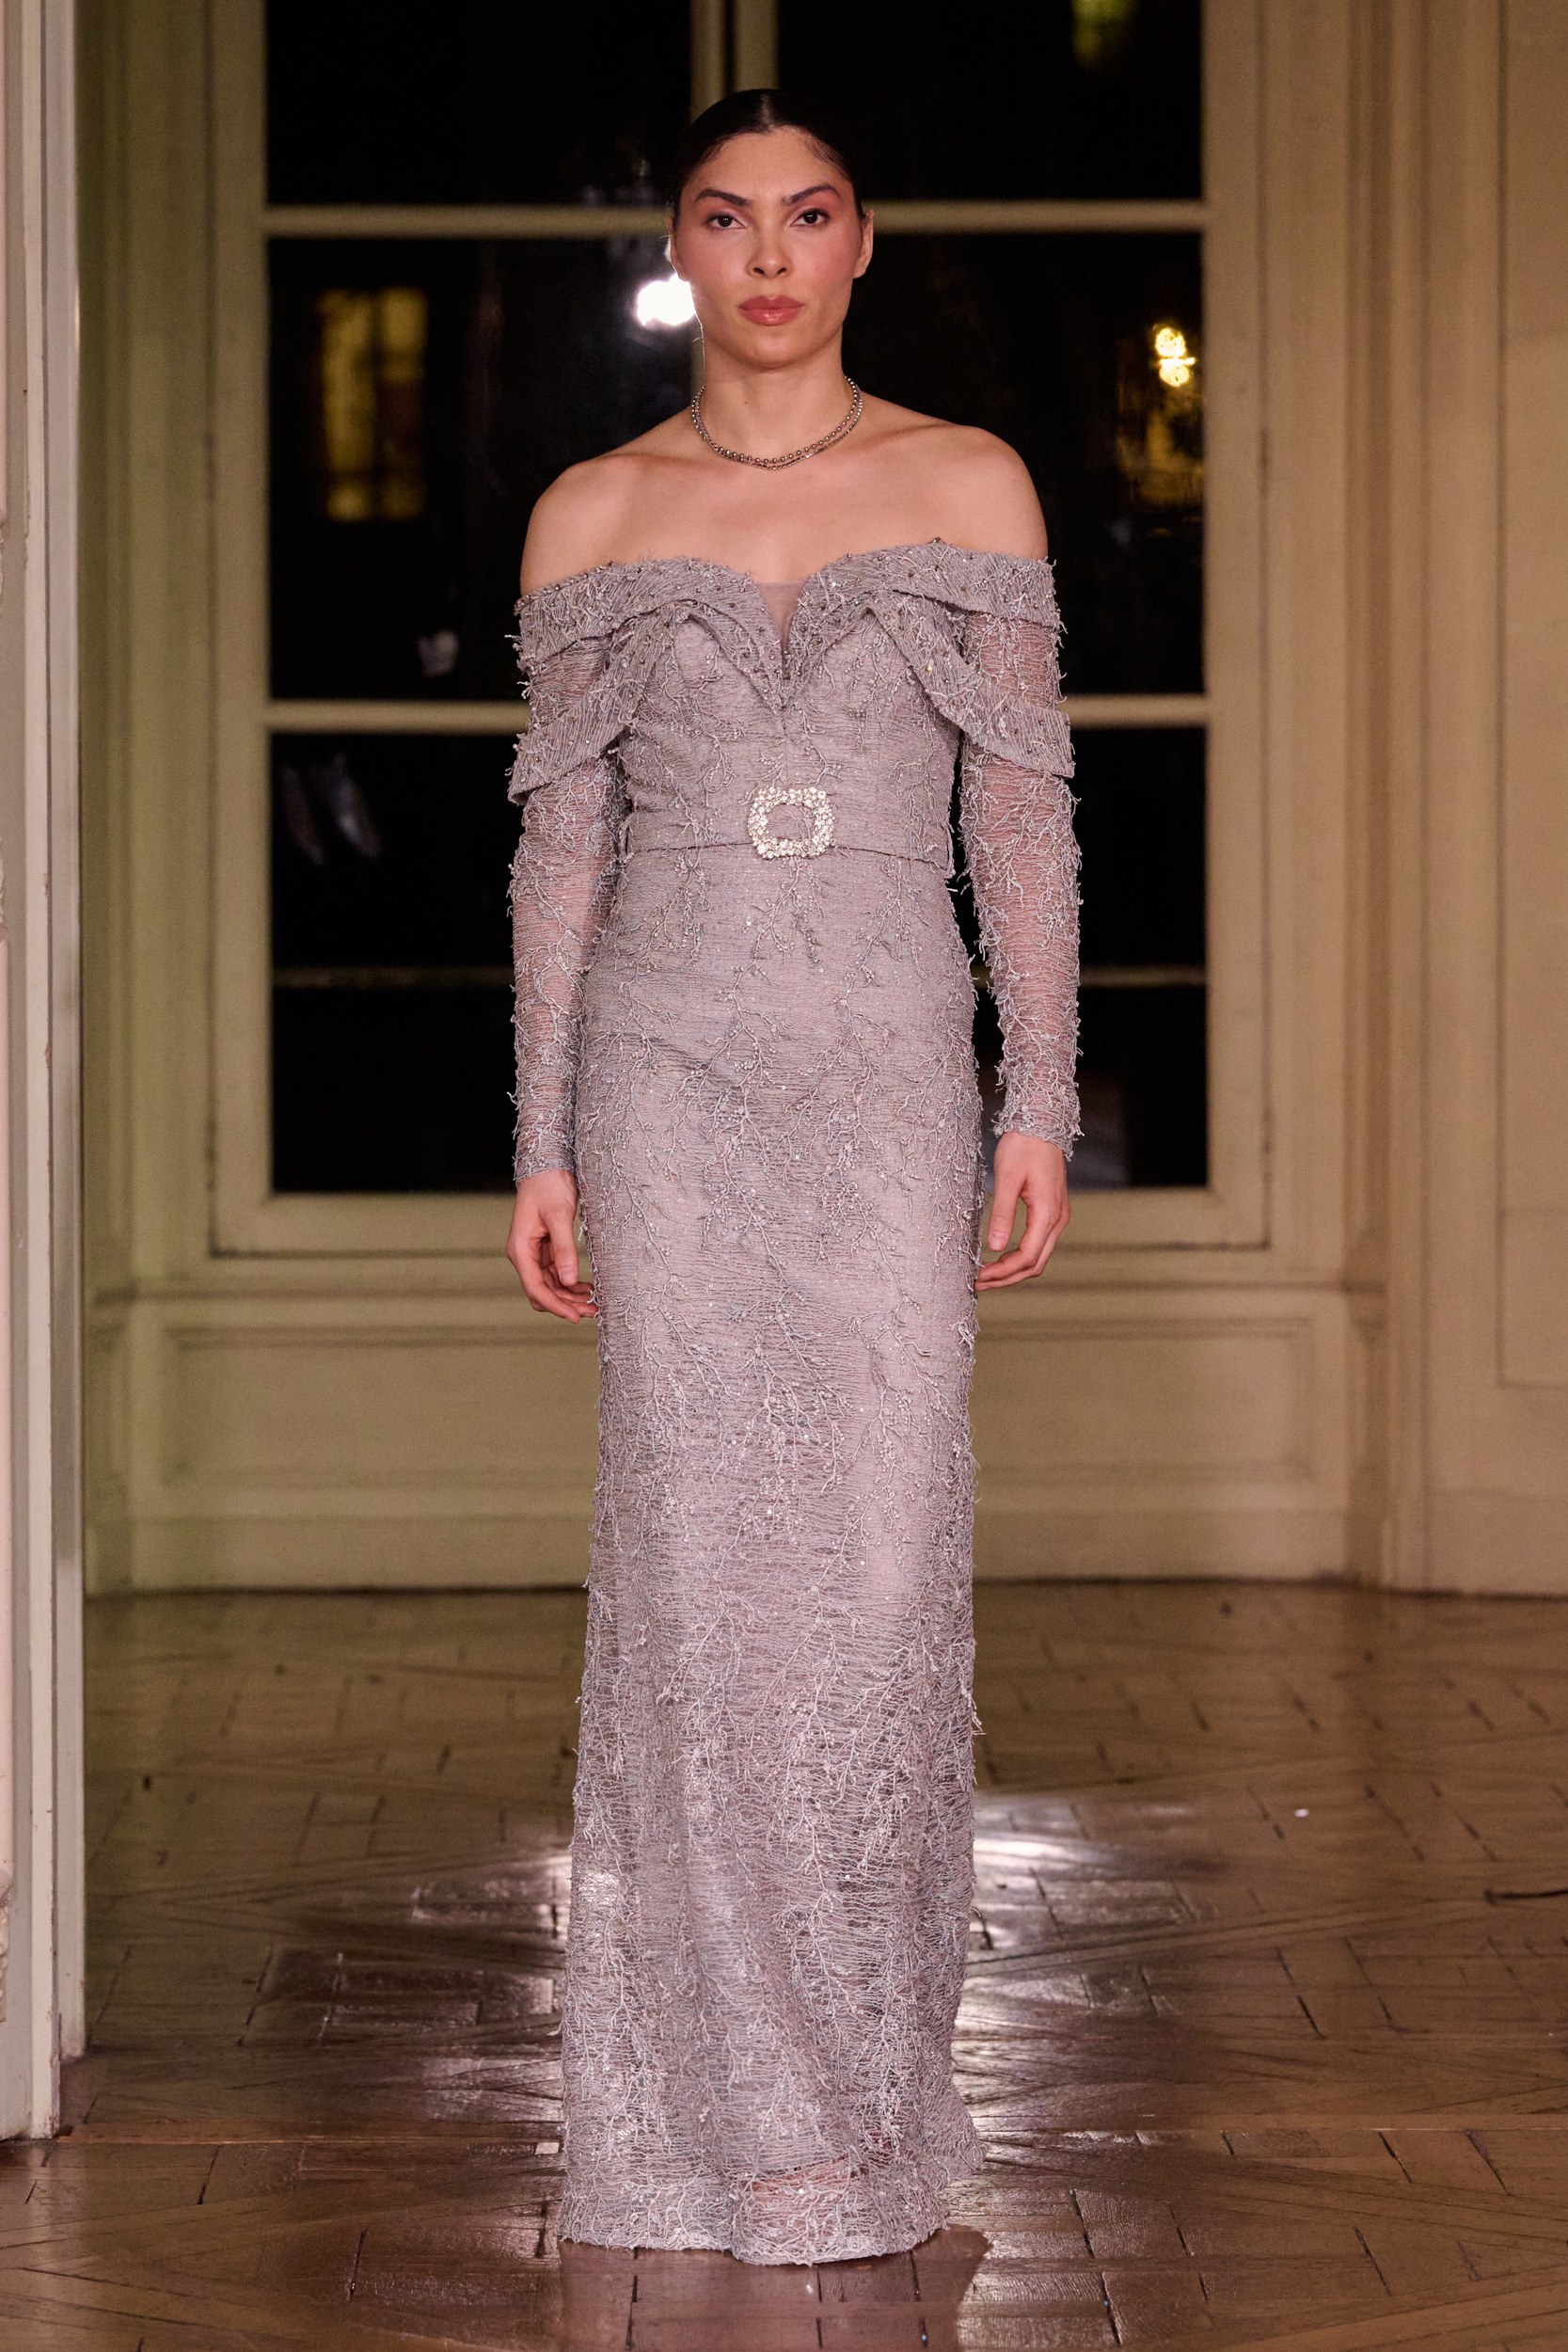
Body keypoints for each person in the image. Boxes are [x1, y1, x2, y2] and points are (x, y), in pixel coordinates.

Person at [505, 87, 1079, 2266]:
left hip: (886, 1075)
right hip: (664, 1079)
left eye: (808, 214)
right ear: (678, 247)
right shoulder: (590, 513)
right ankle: (725, 2126)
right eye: (726, 216)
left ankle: (857, 2108)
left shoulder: (967, 484)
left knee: (875, 1578)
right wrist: (541, 1134)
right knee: (699, 1581)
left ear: (863, 243)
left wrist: (1042, 1095)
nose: (768, 255)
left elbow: (1021, 815)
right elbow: (558, 855)